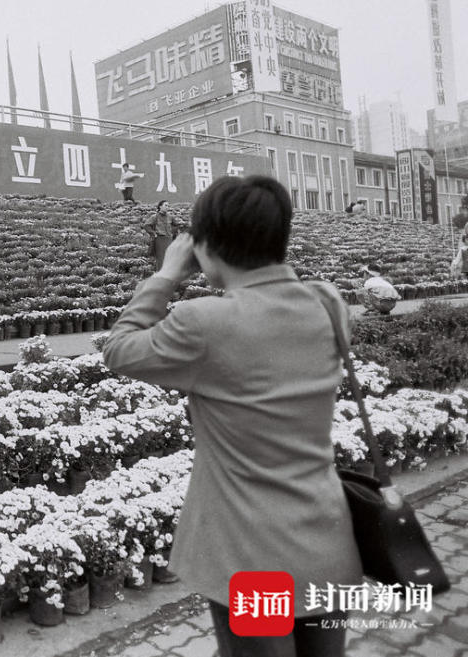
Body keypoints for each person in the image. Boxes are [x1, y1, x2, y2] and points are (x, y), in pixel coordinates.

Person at [103, 175, 361, 657]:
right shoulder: (329, 303)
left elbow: (118, 350)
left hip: (255, 556)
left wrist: (164, 275)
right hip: (328, 540)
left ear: (208, 246)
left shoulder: (205, 322)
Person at [144, 200, 175, 271]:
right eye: (165, 205)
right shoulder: (154, 217)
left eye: (168, 206)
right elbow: (146, 226)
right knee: (161, 259)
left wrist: (173, 233)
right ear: (160, 206)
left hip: (169, 240)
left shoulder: (170, 217)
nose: (167, 207)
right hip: (160, 240)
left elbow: (176, 225)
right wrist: (153, 233)